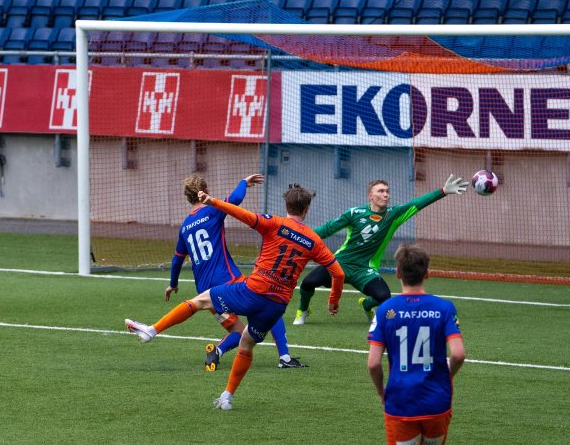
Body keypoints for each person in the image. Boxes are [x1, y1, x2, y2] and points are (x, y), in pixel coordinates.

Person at [185, 183, 345, 410]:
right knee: (247, 343)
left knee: (203, 300)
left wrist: (213, 202)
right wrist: (333, 301)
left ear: (286, 205)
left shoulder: (274, 223)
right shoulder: (313, 240)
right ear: (307, 209)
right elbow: (338, 273)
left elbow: (241, 214)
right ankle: (228, 395)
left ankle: (153, 330)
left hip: (253, 291)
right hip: (276, 304)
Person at [124, 174, 305, 370]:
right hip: (228, 280)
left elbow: (177, 259)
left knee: (238, 331)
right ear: (206, 192)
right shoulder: (212, 211)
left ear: (187, 197)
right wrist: (244, 182)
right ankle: (285, 357)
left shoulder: (185, 227)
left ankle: (215, 351)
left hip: (205, 290)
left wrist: (173, 284)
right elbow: (235, 199)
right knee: (269, 307)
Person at [293, 174, 468, 325]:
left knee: (384, 296)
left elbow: (417, 203)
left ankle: (366, 305)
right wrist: (298, 235)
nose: (386, 195)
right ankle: (303, 310)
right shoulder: (354, 213)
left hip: (365, 270)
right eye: (381, 191)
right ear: (370, 196)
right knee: (308, 283)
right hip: (340, 263)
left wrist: (443, 191)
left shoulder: (393, 215)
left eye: (387, 191)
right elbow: (327, 229)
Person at [367, 243, 465, 445]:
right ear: (427, 273)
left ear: (397, 273)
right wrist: (447, 376)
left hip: (400, 401)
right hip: (437, 400)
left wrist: (381, 392)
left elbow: (373, 363)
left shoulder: (385, 310)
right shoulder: (444, 308)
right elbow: (458, 354)